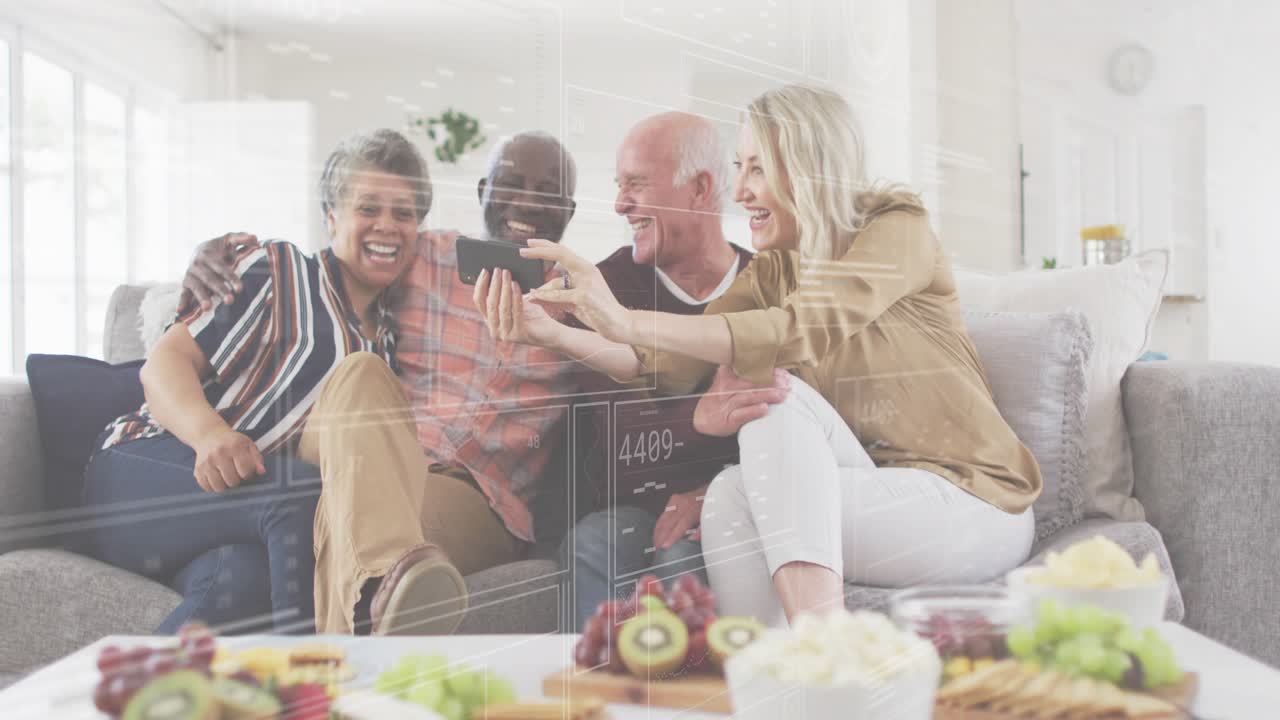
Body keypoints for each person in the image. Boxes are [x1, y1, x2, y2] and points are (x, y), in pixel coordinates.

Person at [487, 85, 1042, 627]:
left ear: (805, 168)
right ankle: (766, 672)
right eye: (739, 167)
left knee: (774, 394)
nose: (741, 192)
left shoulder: (897, 227)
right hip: (873, 489)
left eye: (757, 169)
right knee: (730, 489)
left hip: (973, 504)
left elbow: (796, 331)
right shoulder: (776, 269)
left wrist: (626, 319)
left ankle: (824, 650)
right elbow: (664, 364)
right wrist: (554, 335)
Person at [181, 131, 582, 634]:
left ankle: (337, 669)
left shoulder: (584, 306)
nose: (526, 201)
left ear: (568, 209)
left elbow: (652, 354)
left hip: (481, 500)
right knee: (360, 380)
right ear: (483, 191)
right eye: (511, 183)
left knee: (357, 532)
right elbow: (339, 256)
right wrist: (211, 256)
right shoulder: (423, 257)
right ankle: (364, 643)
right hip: (387, 460)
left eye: (547, 191)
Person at [82, 128, 439, 635]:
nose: (387, 226)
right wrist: (210, 435)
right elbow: (163, 363)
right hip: (144, 472)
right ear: (331, 216)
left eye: (404, 214)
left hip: (236, 514)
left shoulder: (386, 344)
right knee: (302, 496)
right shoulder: (278, 269)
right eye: (368, 208)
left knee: (244, 586)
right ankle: (318, 691)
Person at [518, 112, 785, 627]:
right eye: (620, 187)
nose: (621, 205)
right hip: (630, 509)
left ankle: (699, 701)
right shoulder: (606, 285)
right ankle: (601, 696)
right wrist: (700, 420)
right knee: (597, 541)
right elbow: (624, 437)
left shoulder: (769, 286)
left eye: (636, 185)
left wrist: (717, 492)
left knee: (682, 556)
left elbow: (789, 416)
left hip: (743, 501)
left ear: (700, 188)